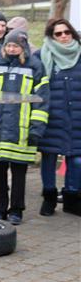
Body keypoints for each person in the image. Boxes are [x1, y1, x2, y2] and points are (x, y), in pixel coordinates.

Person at [0, 30, 49, 225]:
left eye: (15, 46)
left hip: (22, 130)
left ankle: (16, 210)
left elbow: (42, 101)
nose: (11, 49)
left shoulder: (35, 67)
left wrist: (36, 128)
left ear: (23, 47)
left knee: (19, 174)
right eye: (8, 45)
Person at [35, 18, 81, 216]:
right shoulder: (41, 56)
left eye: (66, 32)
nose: (63, 36)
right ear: (51, 36)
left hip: (77, 117)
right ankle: (49, 198)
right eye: (58, 34)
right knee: (49, 158)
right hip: (52, 116)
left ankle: (72, 198)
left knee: (76, 160)